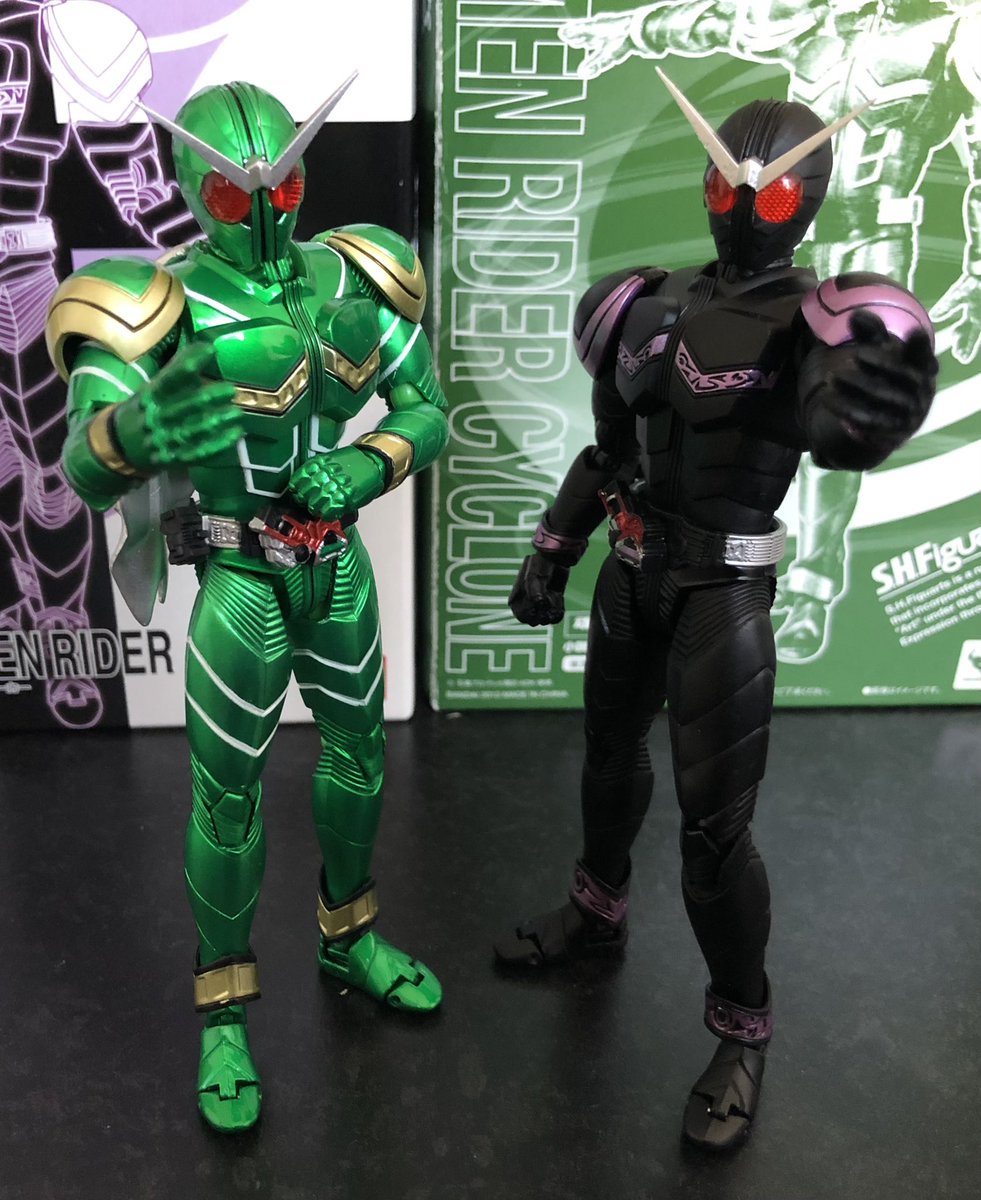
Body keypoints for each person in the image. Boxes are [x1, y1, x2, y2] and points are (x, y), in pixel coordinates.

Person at [495, 73, 937, 1150]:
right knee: (607, 761)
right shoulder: (640, 303)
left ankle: (743, 1028)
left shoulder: (816, 322)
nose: (740, 206)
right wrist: (555, 546)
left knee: (713, 831)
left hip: (722, 591)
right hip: (632, 568)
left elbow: (846, 429)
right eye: (724, 184)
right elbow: (609, 450)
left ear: (806, 200)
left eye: (769, 192)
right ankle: (597, 914)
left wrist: (867, 397)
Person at [46, 78, 448, 1132]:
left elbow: (426, 408)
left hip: (338, 566)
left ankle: (349, 939)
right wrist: (133, 434)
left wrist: (365, 465)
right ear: (196, 189)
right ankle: (223, 1011)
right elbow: (81, 469)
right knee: (227, 800)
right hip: (241, 576)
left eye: (285, 186)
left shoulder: (357, 273)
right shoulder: (157, 305)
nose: (266, 210)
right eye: (235, 194)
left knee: (362, 759)